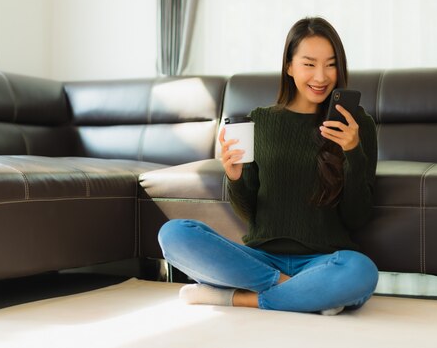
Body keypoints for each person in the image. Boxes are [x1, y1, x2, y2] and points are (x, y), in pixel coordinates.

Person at [158, 17, 378, 315]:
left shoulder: (357, 124)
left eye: (331, 64)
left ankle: (237, 297)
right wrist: (235, 178)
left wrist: (353, 151)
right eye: (309, 64)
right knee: (173, 234)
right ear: (289, 66)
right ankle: (303, 291)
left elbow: (358, 217)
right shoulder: (260, 121)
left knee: (361, 271)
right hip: (260, 258)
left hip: (323, 259)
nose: (321, 76)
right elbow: (249, 213)